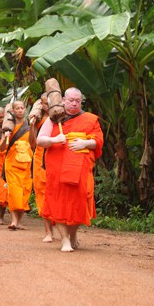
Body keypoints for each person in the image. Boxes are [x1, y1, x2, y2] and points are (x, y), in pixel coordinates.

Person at [36, 87, 103, 252]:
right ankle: (65, 240)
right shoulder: (54, 118)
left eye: (78, 101)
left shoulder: (90, 119)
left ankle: (73, 234)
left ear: (81, 102)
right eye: (71, 100)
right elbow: (40, 140)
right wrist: (54, 139)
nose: (74, 103)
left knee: (80, 200)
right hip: (57, 167)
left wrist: (85, 143)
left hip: (80, 167)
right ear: (64, 100)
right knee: (59, 202)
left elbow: (99, 141)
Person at [27, 95, 56, 242]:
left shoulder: (59, 117)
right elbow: (32, 143)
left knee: (56, 193)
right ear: (41, 104)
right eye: (45, 104)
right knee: (42, 194)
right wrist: (32, 125)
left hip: (56, 156)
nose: (47, 106)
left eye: (49, 103)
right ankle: (48, 232)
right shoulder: (38, 120)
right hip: (40, 158)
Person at [2, 100, 33, 231]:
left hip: (26, 163)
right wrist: (5, 136)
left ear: (25, 110)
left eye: (22, 108)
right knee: (14, 192)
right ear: (13, 111)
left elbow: (33, 143)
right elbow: (1, 147)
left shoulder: (29, 125)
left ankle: (19, 221)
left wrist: (33, 127)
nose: (20, 110)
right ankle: (14, 221)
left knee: (24, 193)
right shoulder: (9, 126)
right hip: (12, 164)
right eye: (17, 108)